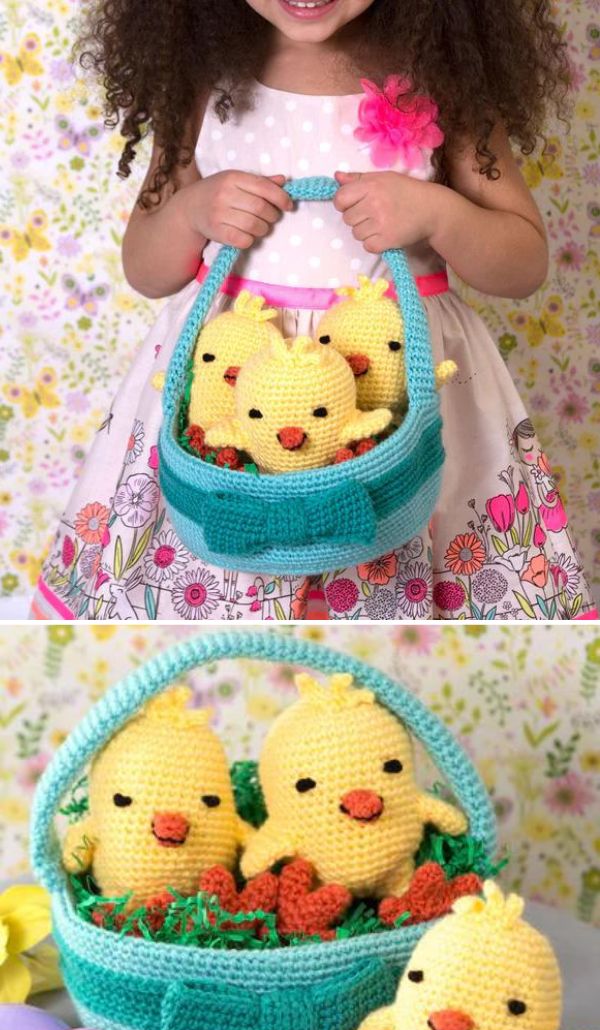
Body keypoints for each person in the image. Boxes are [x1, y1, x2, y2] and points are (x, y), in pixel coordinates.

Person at [31, 0, 597, 622]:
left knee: (394, 601)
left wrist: (439, 214)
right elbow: (145, 267)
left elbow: (523, 265)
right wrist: (192, 212)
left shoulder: (443, 75)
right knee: (215, 604)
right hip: (233, 387)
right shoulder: (203, 76)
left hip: (390, 381)